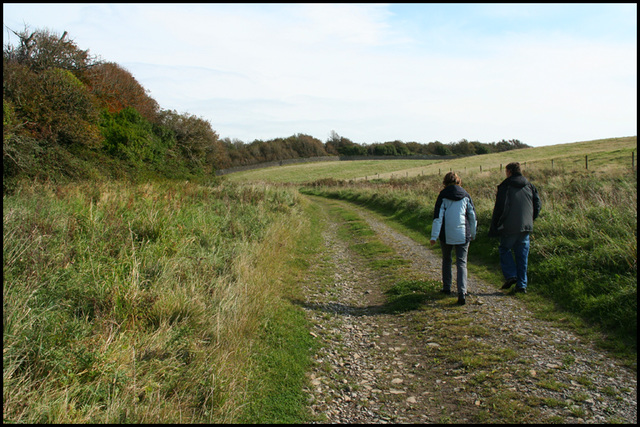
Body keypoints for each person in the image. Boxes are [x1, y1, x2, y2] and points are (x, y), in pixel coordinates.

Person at [488, 162, 541, 294]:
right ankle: (522, 285)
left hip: (509, 226)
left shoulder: (505, 186)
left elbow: (499, 208)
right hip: (526, 226)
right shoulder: (529, 185)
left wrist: (495, 225)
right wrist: (530, 219)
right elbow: (537, 205)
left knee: (504, 249)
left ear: (509, 172)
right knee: (522, 256)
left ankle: (512, 275)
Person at [430, 172, 477, 305]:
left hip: (446, 234)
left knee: (447, 260)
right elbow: (472, 216)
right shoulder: (466, 195)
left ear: (444, 182)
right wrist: (473, 233)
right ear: (458, 181)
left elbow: (438, 218)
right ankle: (462, 292)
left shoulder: (443, 195)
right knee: (462, 263)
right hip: (463, 234)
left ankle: (446, 288)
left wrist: (434, 236)